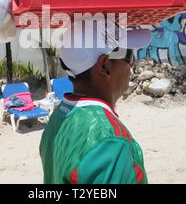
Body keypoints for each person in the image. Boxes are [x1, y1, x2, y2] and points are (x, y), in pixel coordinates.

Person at [39, 18, 152, 184]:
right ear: (104, 65)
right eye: (128, 55)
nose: (132, 64)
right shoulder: (110, 140)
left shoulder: (59, 116)